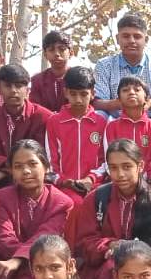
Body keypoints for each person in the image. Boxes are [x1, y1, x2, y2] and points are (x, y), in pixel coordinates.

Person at [76, 140, 151, 279]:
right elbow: (86, 242)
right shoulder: (97, 198)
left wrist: (137, 257)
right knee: (113, 271)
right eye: (113, 168)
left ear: (140, 166)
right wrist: (110, 245)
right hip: (104, 268)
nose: (120, 174)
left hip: (146, 267)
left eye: (126, 167)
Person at [0, 140, 75, 279]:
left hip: (48, 262)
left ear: (46, 167)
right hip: (8, 260)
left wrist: (18, 260)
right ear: (11, 171)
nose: (26, 171)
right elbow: (3, 238)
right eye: (18, 166)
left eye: (32, 164)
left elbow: (45, 237)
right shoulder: (2, 197)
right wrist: (17, 260)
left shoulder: (62, 202)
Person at [0, 64, 54, 192]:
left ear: (28, 90)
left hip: (29, 173)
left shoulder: (43, 117)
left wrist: (2, 173)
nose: (14, 90)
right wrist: (8, 167)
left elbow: (41, 156)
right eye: (8, 86)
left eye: (19, 86)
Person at [46, 66, 108, 204]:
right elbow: (50, 162)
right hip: (63, 187)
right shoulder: (54, 122)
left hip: (95, 185)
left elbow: (106, 160)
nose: (78, 100)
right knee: (74, 204)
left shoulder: (101, 122)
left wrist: (90, 179)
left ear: (93, 94)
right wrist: (64, 181)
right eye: (73, 94)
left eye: (84, 94)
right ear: (65, 93)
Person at [92, 13, 151, 118]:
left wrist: (146, 102)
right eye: (126, 36)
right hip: (116, 121)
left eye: (137, 36)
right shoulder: (104, 65)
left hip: (150, 121)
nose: (131, 41)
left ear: (146, 40)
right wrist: (122, 102)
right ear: (117, 39)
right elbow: (97, 102)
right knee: (98, 115)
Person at [101, 75, 151, 153]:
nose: (131, 92)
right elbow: (108, 156)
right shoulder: (112, 127)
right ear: (119, 100)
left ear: (147, 98)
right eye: (125, 90)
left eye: (137, 90)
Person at [30, 30, 73, 112]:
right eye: (51, 49)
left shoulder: (79, 78)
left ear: (71, 53)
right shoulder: (37, 80)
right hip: (44, 119)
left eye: (62, 49)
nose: (57, 54)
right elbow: (35, 109)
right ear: (45, 54)